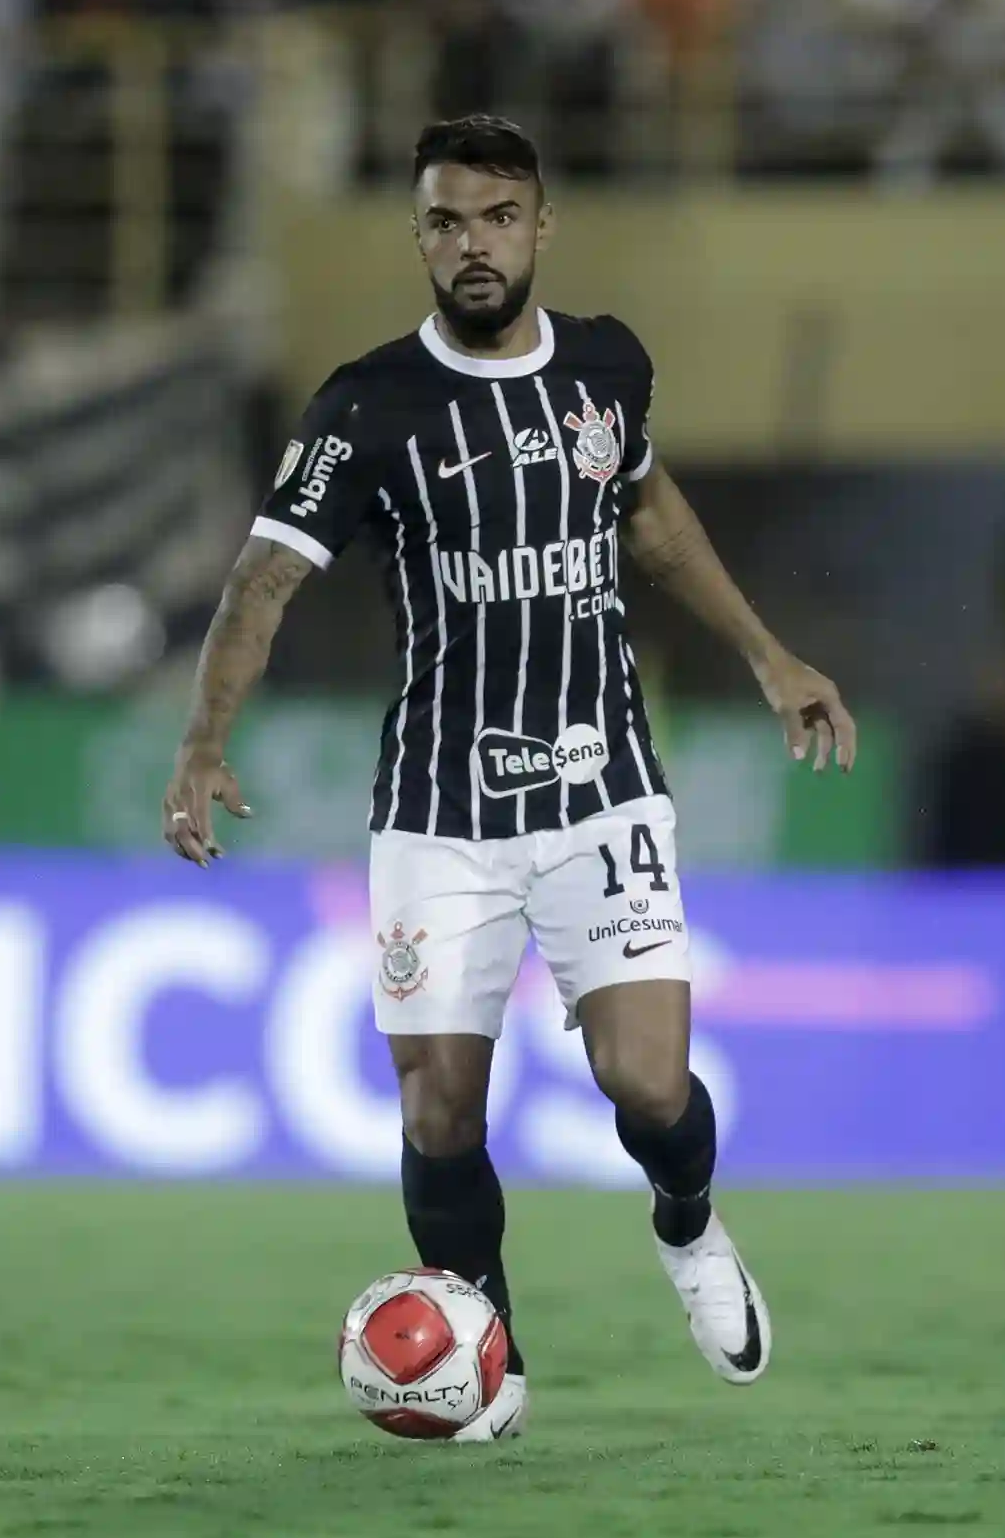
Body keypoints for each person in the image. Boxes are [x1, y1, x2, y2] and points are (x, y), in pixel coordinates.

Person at [159, 115, 856, 1441]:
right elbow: (263, 580)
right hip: (440, 807)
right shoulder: (365, 408)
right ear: (416, 235)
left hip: (602, 786)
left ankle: (690, 1224)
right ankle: (487, 1344)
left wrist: (766, 653)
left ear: (540, 227)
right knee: (438, 1106)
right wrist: (202, 738)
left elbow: (649, 515)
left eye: (493, 217)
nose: (469, 244)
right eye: (442, 221)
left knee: (649, 1084)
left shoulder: (605, 369)